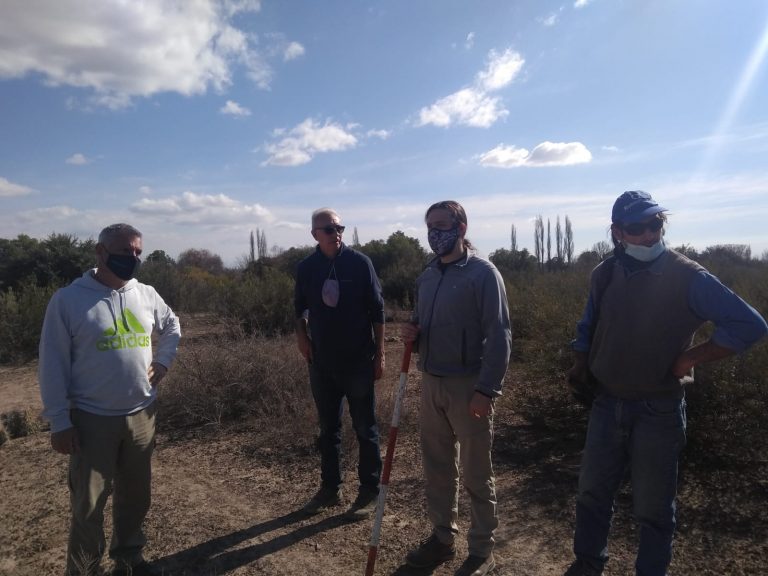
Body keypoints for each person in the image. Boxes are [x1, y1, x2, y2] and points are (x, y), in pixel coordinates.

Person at [564, 191, 768, 576]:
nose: (648, 234)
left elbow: (750, 324)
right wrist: (580, 363)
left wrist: (690, 358)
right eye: (636, 227)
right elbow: (588, 323)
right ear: (617, 232)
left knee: (653, 509)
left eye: (655, 224)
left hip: (658, 410)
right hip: (606, 402)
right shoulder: (605, 273)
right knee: (591, 494)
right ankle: (588, 564)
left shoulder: (688, 276)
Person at [38, 223, 181, 576]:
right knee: (88, 505)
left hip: (141, 415)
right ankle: (85, 569)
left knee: (136, 497)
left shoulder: (145, 293)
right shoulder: (69, 300)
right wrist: (59, 421)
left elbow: (172, 326)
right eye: (124, 251)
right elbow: (52, 363)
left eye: (137, 252)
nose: (132, 258)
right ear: (100, 252)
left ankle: (129, 559)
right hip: (91, 419)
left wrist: (163, 361)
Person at [401, 200, 512, 576]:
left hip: (469, 386)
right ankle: (442, 538)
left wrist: (487, 390)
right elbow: (421, 326)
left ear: (462, 228)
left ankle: (481, 550)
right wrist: (411, 334)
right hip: (431, 383)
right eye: (430, 226)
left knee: (477, 472)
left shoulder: (483, 274)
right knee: (437, 468)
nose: (435, 233)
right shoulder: (428, 276)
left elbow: (500, 335)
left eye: (443, 225)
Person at [294, 207, 385, 521]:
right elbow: (299, 307)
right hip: (321, 362)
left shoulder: (360, 263)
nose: (337, 234)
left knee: (365, 428)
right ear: (315, 235)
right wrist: (302, 337)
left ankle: (370, 491)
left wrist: (380, 354)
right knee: (328, 429)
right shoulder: (306, 268)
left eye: (339, 228)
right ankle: (330, 489)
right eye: (329, 229)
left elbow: (377, 310)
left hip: (358, 360)